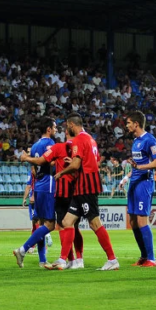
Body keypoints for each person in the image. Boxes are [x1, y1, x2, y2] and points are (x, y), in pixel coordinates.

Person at [44, 113, 118, 271]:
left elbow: (76, 165)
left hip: (86, 186)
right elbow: (92, 161)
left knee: (94, 223)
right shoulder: (91, 139)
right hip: (82, 186)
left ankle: (112, 259)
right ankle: (63, 259)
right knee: (66, 222)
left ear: (71, 125)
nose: (66, 129)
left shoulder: (78, 139)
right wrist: (74, 162)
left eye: (67, 126)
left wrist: (61, 172)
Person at [22, 129, 85, 269]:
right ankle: (75, 259)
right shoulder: (77, 147)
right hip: (70, 191)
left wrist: (28, 158)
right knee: (71, 225)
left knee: (62, 225)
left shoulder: (58, 147)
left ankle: (68, 259)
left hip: (63, 191)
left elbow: (42, 162)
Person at [12, 117, 58, 268]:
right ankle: (22, 249)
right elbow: (48, 161)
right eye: (54, 127)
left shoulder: (35, 145)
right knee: (50, 225)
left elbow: (33, 169)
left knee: (41, 224)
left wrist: (28, 158)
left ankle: (42, 260)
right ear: (48, 129)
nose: (56, 130)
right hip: (47, 185)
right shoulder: (50, 143)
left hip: (37, 185)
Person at [119, 111, 156, 267]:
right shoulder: (136, 141)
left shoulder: (149, 140)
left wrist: (140, 167)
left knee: (142, 219)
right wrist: (126, 177)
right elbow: (137, 165)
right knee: (133, 221)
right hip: (134, 182)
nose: (127, 126)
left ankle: (152, 258)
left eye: (129, 123)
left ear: (136, 124)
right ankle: (143, 256)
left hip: (144, 183)